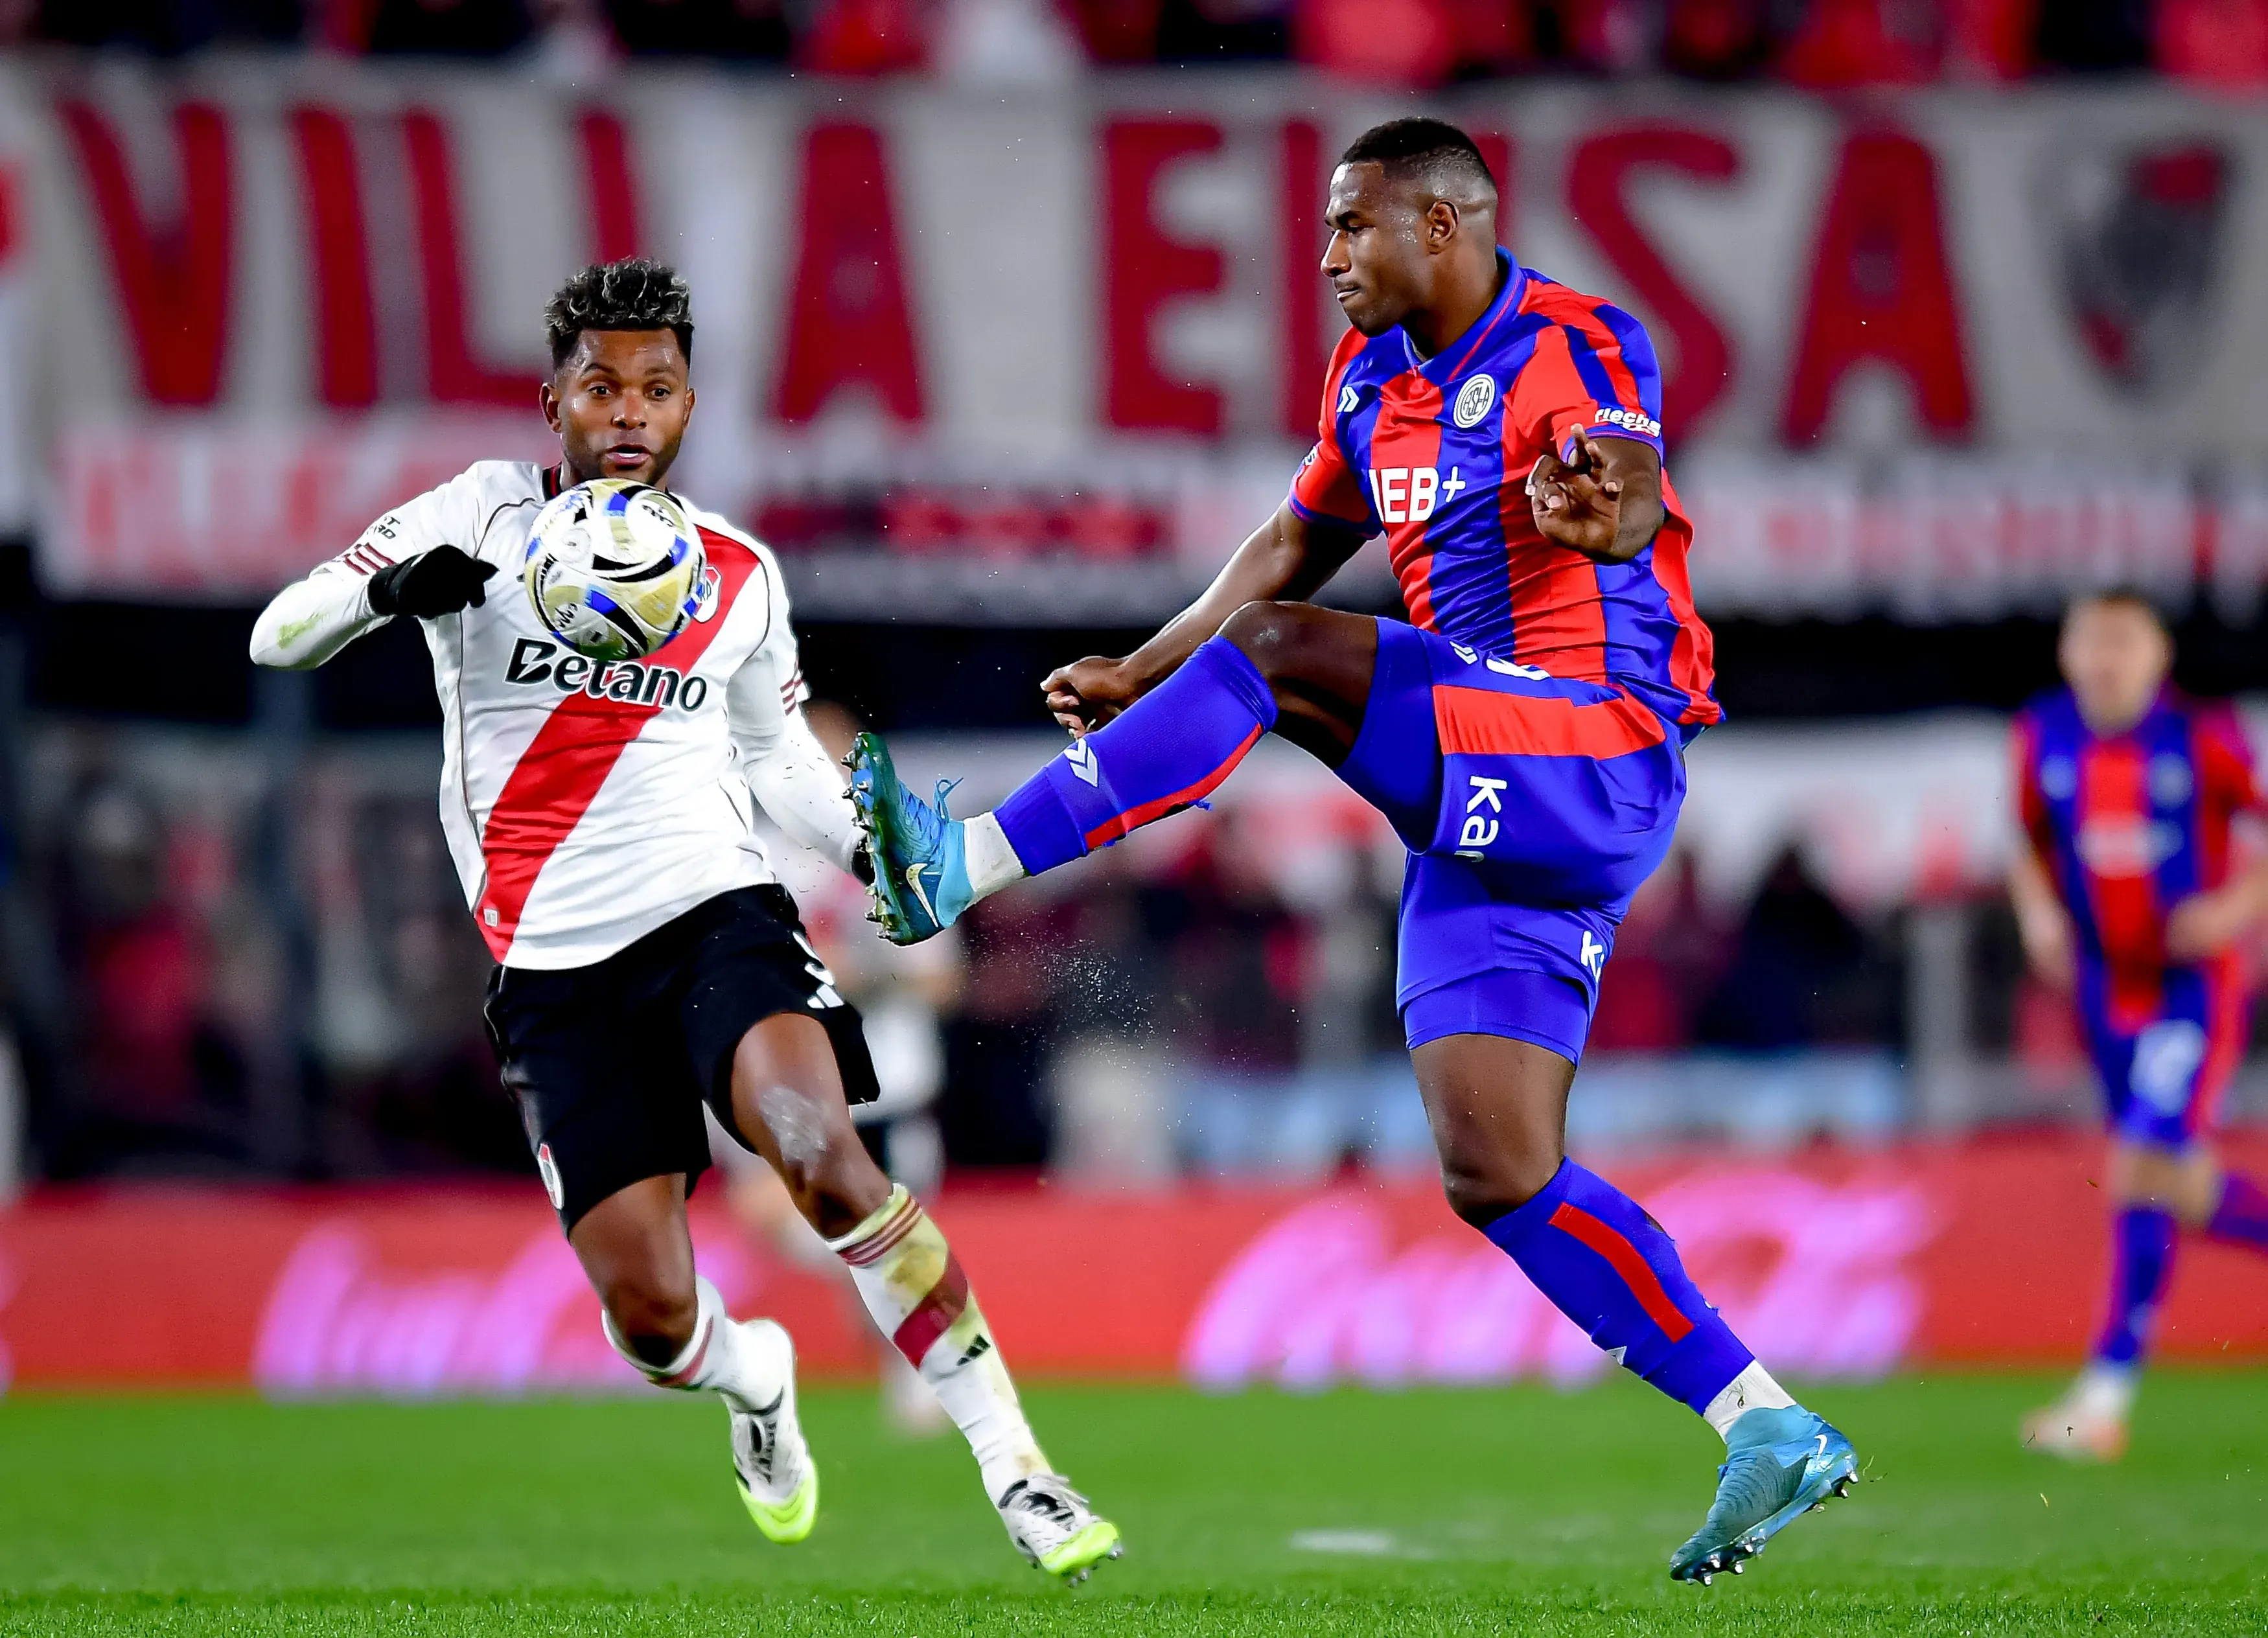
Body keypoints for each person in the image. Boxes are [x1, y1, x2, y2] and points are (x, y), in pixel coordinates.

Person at [851, 117, 1855, 1584]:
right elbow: (1287, 542)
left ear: (1442, 227)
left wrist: (1608, 513)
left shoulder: (1570, 339)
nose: (1326, 258)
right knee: (1496, 1164)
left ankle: (962, 864)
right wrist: (1146, 664)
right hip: (1489, 791)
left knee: (1281, 661)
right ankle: (1763, 1422)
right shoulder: (1372, 379)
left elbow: (1629, 479)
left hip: (1595, 738)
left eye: (1351, 228)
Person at [248, 259, 1118, 1580]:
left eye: (656, 386)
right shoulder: (477, 519)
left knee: (820, 1150)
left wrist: (884, 851)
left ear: (690, 402)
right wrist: (385, 591)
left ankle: (1019, 1468)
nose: (629, 409)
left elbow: (776, 763)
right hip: (548, 966)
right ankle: (751, 1377)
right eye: (601, 384)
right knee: (651, 1319)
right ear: (554, 401)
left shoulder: (735, 571)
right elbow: (275, 636)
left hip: (717, 911)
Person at [2009, 590, 2268, 1460]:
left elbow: (2262, 832)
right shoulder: (2042, 735)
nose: (2107, 657)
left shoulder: (2203, 736)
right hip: (2103, 993)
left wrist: (2235, 907)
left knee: (2141, 1163)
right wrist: (2038, 912)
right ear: (2068, 652)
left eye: (2126, 640)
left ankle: (2104, 1396)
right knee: (2172, 1184)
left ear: (2159, 656)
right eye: (2093, 639)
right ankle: (2103, 1399)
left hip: (2190, 990)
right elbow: (2029, 845)